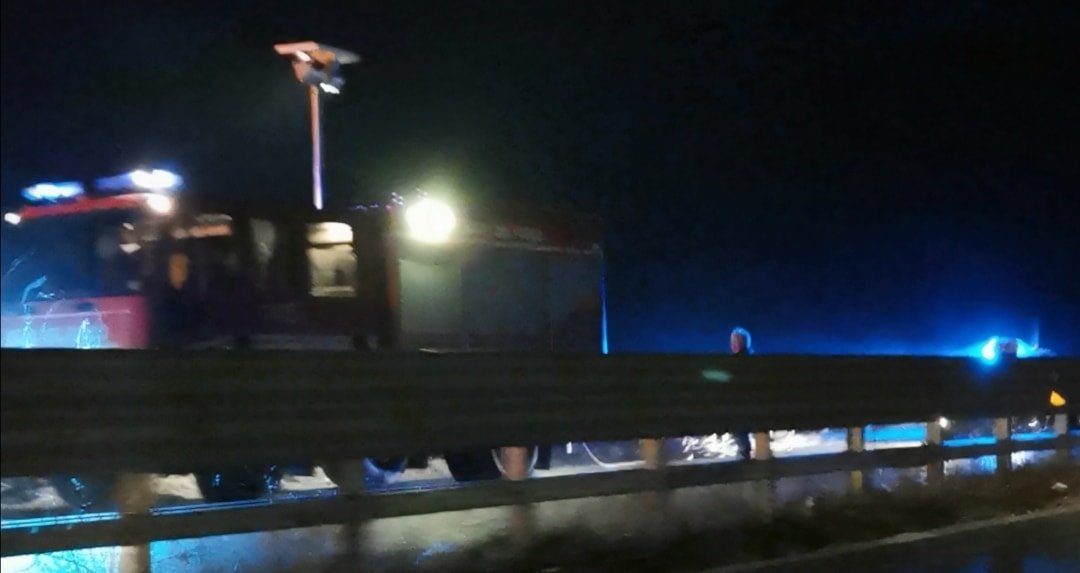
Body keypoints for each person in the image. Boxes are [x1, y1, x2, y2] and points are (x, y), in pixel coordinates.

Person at [729, 327, 754, 461]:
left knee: (736, 413)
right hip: (759, 407)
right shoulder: (755, 363)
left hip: (740, 409)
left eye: (734, 341)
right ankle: (745, 450)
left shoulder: (732, 363)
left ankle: (744, 451)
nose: (732, 343)